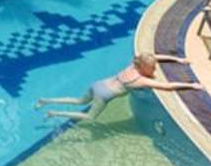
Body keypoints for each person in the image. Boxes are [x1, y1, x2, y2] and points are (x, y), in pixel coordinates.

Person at [36, 51, 193, 121]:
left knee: (79, 101)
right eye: (152, 68)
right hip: (103, 95)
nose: (154, 69)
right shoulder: (140, 80)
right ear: (145, 68)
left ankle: (45, 100)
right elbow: (167, 86)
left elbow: (153, 56)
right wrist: (193, 86)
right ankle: (53, 113)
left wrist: (179, 60)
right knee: (90, 117)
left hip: (98, 83)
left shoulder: (134, 63)